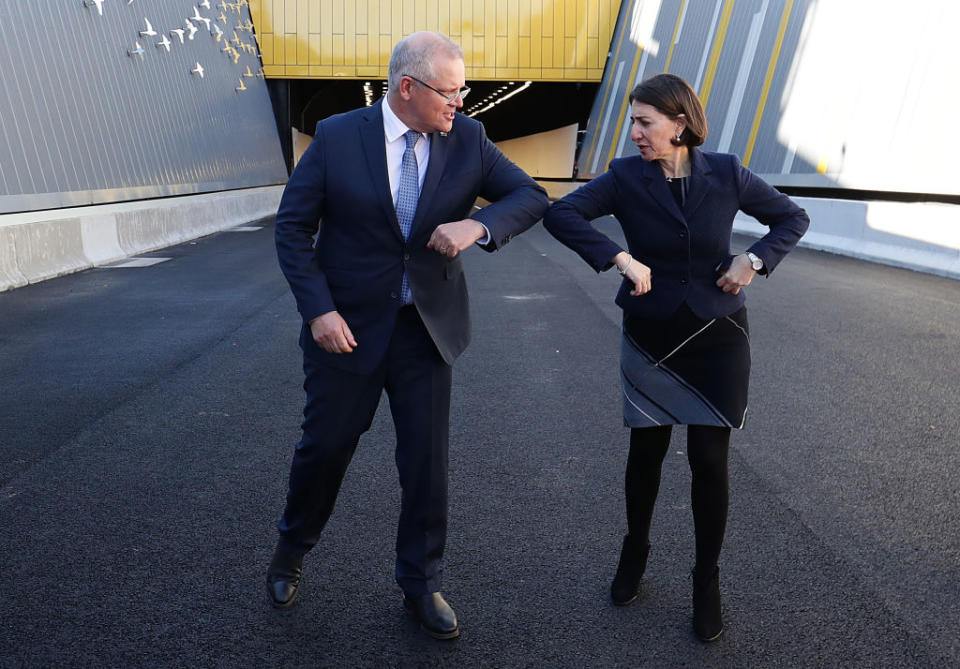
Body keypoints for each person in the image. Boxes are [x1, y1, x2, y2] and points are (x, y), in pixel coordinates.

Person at [269, 31, 548, 639]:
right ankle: (291, 552)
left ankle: (421, 584)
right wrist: (318, 311)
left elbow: (531, 195)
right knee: (324, 452)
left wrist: (478, 226)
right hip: (345, 332)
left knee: (425, 463)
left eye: (463, 90)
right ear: (407, 88)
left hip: (425, 332)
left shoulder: (467, 138)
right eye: (450, 91)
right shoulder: (340, 137)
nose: (460, 102)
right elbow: (292, 230)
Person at [543, 73, 809, 642]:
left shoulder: (728, 172)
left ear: (679, 123)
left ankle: (705, 579)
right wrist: (620, 258)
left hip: (718, 332)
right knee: (647, 453)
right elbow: (560, 215)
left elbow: (791, 217)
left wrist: (754, 261)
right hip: (652, 331)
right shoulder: (623, 177)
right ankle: (635, 549)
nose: (634, 132)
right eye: (633, 121)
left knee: (710, 461)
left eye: (645, 122)